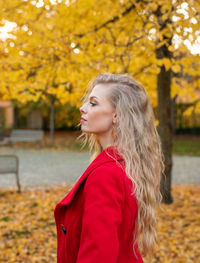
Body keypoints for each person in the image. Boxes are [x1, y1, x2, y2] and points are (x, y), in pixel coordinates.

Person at [54, 73, 164, 263]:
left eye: (93, 103)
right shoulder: (127, 163)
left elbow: (98, 255)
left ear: (116, 115)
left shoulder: (106, 174)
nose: (82, 108)